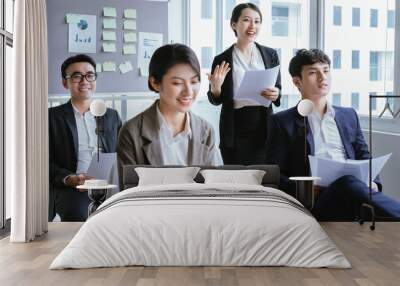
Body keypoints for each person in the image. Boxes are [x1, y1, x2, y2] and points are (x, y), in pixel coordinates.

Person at [266, 48, 400, 221]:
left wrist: (373, 183)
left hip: (355, 191)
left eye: (326, 71)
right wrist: (306, 186)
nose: (323, 78)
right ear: (297, 82)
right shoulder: (282, 122)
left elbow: (364, 156)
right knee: (347, 182)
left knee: (352, 187)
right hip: (318, 200)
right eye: (314, 73)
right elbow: (275, 174)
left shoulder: (348, 115)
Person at [117, 44, 223, 188]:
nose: (188, 91)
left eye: (194, 81)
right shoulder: (131, 132)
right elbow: (129, 192)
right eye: (177, 83)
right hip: (150, 209)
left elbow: (214, 187)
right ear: (155, 82)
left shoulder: (206, 131)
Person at [49, 54, 122, 222]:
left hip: (110, 186)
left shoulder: (111, 116)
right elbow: (43, 161)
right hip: (73, 188)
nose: (84, 81)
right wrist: (69, 179)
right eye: (76, 76)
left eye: (90, 75)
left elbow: (123, 153)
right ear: (64, 82)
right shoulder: (52, 117)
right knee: (82, 217)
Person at [207, 2, 281, 165]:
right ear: (234, 24)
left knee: (264, 178)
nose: (252, 26)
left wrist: (276, 93)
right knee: (236, 178)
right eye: (246, 20)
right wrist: (216, 88)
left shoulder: (270, 54)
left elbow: (278, 90)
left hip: (263, 125)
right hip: (234, 127)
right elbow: (215, 99)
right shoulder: (222, 59)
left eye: (257, 21)